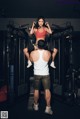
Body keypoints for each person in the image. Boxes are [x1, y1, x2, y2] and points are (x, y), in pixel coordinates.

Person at [30, 40, 53, 115]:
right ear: (45, 45)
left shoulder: (33, 53)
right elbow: (50, 61)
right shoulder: (48, 53)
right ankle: (48, 108)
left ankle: (36, 106)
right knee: (47, 90)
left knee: (36, 90)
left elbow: (31, 61)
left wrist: (35, 49)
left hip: (37, 74)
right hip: (45, 74)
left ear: (37, 45)